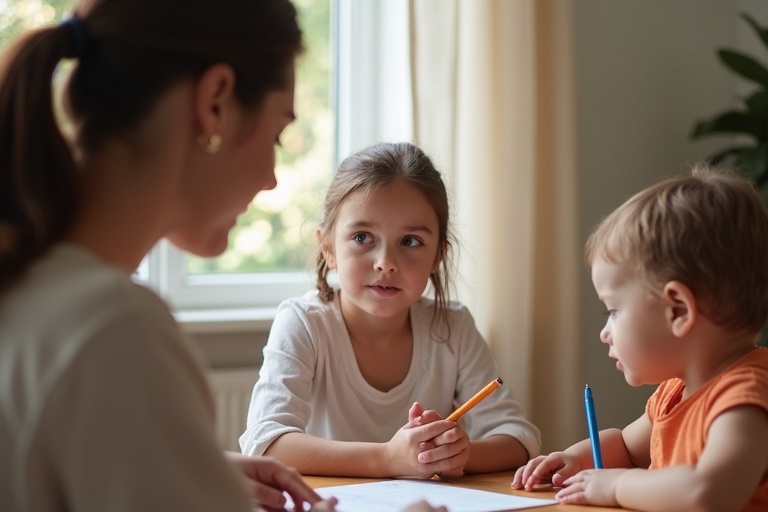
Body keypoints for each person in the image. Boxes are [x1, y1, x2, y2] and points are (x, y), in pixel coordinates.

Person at [0, 2, 445, 511]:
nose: (272, 178)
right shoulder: (111, 327)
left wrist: (186, 467)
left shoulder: (31, 286)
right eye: (276, 134)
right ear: (215, 102)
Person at [240, 141, 541, 478]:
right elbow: (267, 443)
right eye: (362, 237)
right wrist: (387, 458)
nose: (386, 263)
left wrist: (458, 454)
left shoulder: (453, 326)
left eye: (410, 242)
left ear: (438, 256)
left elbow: (519, 438)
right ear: (328, 247)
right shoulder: (303, 323)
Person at [511, 164, 768, 511]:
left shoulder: (746, 399)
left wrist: (618, 486)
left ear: (678, 310)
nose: (605, 333)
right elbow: (627, 448)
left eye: (613, 311)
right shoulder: (674, 393)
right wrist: (573, 459)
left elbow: (708, 493)